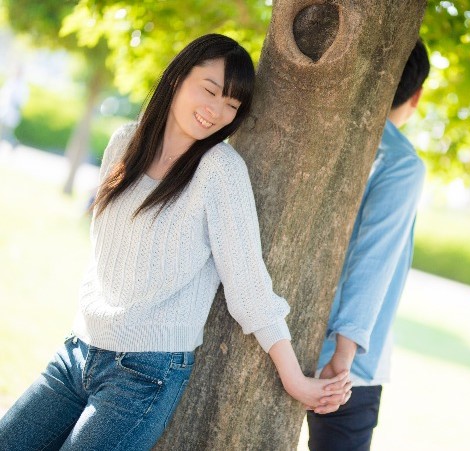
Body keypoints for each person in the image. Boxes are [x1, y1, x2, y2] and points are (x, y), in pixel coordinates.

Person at [0, 34, 350, 451]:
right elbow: (103, 257)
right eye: (209, 91)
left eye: (232, 105)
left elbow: (249, 284)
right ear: (178, 76)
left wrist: (296, 380)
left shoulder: (219, 171)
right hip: (76, 352)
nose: (216, 111)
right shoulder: (123, 144)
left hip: (144, 373)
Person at [307, 39, 431, 450]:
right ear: (416, 95)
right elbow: (373, 260)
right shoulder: (400, 162)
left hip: (277, 333)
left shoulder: (315, 128)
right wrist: (344, 354)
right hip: (346, 366)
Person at [0, 64, 29, 148]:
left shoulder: (22, 85)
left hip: (11, 111)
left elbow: (21, 100)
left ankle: (13, 142)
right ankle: (12, 142)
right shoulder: (11, 81)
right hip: (5, 108)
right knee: (4, 131)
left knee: (6, 131)